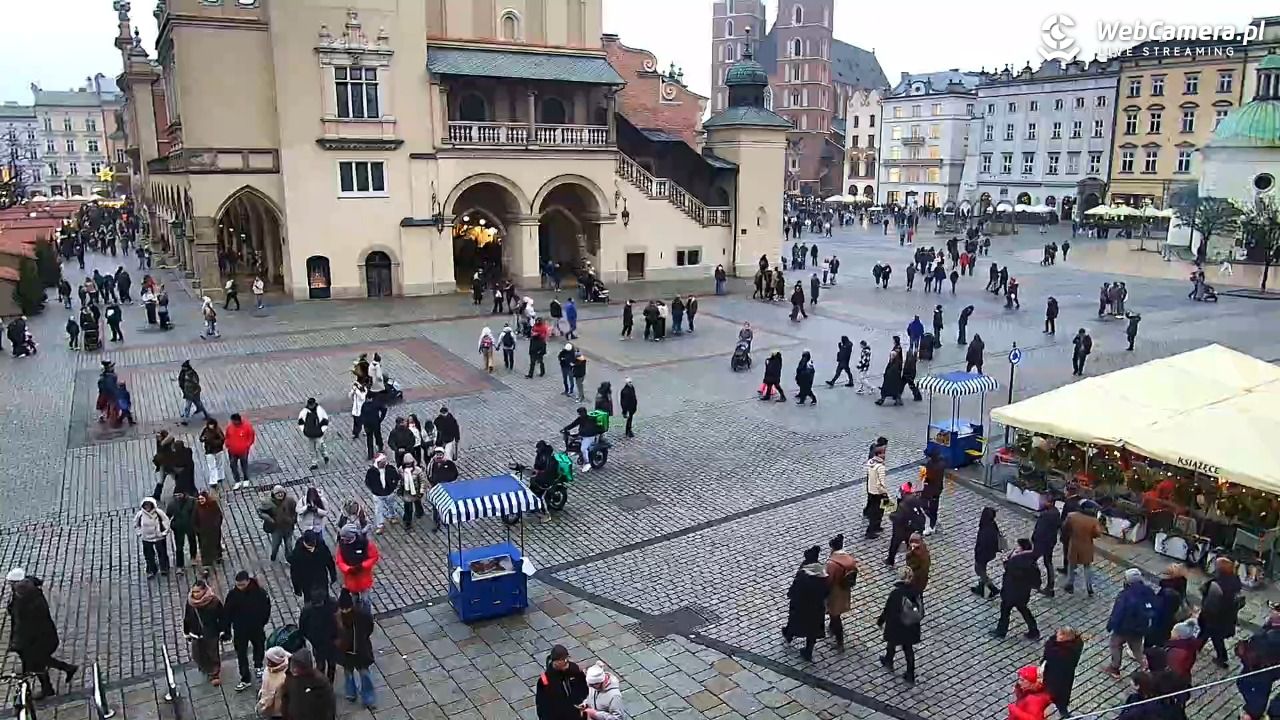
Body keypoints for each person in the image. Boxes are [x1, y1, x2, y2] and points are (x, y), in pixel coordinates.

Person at [4, 569, 77, 699]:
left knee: (37, 662)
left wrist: (16, 644)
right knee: (38, 661)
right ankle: (63, 672)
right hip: (42, 636)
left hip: (37, 638)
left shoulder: (24, 600)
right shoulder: (28, 593)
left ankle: (50, 685)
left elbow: (22, 626)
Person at [223, 570, 271, 692]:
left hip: (256, 628)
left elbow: (266, 608)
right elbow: (227, 614)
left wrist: (262, 622)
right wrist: (227, 630)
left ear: (248, 581)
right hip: (240, 630)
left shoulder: (259, 593)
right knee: (241, 654)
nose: (240, 588)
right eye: (238, 585)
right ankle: (245, 678)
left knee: (259, 646)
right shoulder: (233, 595)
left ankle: (258, 665)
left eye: (242, 585)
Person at [781, 545, 828, 661]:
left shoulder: (804, 573)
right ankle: (808, 650)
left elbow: (796, 587)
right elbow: (827, 590)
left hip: (802, 605)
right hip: (817, 607)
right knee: (813, 629)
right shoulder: (822, 572)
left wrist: (791, 595)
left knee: (794, 620)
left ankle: (789, 634)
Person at [877, 567, 922, 684]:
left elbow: (887, 610)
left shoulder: (896, 593)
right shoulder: (917, 592)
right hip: (911, 625)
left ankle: (888, 660)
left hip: (897, 624)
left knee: (892, 642)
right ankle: (910, 673)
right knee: (908, 649)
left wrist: (881, 621)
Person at [1235, 605, 1280, 720]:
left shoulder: (1271, 638)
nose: (1272, 611)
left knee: (1253, 690)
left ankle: (1252, 713)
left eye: (1275, 610)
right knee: (1243, 683)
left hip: (1262, 670)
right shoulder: (1272, 628)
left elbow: (1254, 651)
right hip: (1264, 669)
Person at [993, 539, 1042, 640]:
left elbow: (1009, 569)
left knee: (1005, 611)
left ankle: (1001, 631)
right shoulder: (1032, 563)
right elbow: (1036, 583)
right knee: (1024, 610)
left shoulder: (1016, 561)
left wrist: (1006, 560)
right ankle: (1034, 630)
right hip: (1023, 593)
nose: (1015, 548)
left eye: (1018, 546)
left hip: (1010, 592)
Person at [1199, 556, 1243, 668]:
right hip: (1227, 617)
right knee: (1207, 633)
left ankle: (1222, 657)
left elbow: (1210, 605)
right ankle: (1197, 646)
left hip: (1214, 618)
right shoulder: (1235, 581)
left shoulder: (1217, 585)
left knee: (1212, 635)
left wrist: (1203, 613)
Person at [336, 590, 376, 708]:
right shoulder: (337, 618)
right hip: (346, 652)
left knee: (364, 674)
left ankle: (368, 699)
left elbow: (369, 627)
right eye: (342, 609)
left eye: (346, 608)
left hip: (360, 651)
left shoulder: (361, 615)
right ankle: (351, 693)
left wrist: (362, 638)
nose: (344, 611)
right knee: (348, 674)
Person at [280, 648, 337, 720]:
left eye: (299, 667)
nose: (295, 670)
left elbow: (329, 707)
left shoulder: (320, 682)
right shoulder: (291, 678)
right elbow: (285, 697)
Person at [535, 645, 588, 720]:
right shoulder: (545, 680)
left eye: (566, 659)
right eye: (563, 660)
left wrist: (583, 702)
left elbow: (584, 687)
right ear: (555, 662)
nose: (567, 662)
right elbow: (542, 706)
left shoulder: (574, 669)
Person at [335, 525, 380, 610]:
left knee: (365, 600)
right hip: (350, 577)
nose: (344, 541)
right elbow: (339, 560)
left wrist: (362, 566)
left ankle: (366, 615)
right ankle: (356, 614)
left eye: (346, 539)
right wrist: (348, 569)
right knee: (354, 599)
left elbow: (374, 556)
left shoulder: (365, 543)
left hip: (363, 577)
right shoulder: (342, 545)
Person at [1042, 628, 1084, 717]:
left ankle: (1062, 711)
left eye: (1059, 636)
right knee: (1060, 696)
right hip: (1059, 675)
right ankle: (1063, 712)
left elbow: (1049, 654)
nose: (1056, 637)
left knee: (1054, 694)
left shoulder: (1067, 651)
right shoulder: (1076, 644)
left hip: (1059, 676)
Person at [825, 535, 857, 651]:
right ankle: (832, 628)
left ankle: (840, 642)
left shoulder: (832, 563)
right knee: (835, 613)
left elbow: (828, 580)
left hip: (835, 592)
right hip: (845, 590)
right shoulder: (850, 559)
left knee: (835, 616)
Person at [1062, 502, 1102, 596]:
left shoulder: (1072, 516)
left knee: (1071, 565)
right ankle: (1089, 587)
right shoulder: (1093, 521)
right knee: (1087, 566)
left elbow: (1065, 527)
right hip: (1086, 545)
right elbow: (1097, 534)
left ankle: (1070, 584)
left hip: (1074, 544)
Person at [1148, 565, 1189, 649]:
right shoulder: (1181, 582)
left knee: (1156, 634)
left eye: (1166, 573)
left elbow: (1162, 608)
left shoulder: (1168, 591)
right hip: (1173, 615)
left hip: (1164, 617)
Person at [290, 530, 337, 598]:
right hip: (307, 582)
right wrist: (297, 588)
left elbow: (329, 560)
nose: (314, 543)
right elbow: (294, 572)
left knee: (325, 599)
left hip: (321, 579)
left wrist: (333, 575)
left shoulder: (321, 545)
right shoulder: (298, 553)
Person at [259, 485, 298, 562]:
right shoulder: (268, 503)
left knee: (289, 545)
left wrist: (293, 520)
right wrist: (269, 519)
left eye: (282, 493)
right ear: (274, 494)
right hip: (276, 529)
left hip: (288, 528)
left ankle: (289, 559)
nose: (280, 495)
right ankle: (273, 556)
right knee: (275, 545)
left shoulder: (290, 501)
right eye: (278, 493)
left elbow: (295, 511)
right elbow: (261, 512)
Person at [135, 496, 172, 578]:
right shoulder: (140, 514)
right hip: (146, 538)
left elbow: (166, 521)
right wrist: (140, 533)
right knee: (149, 555)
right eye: (145, 506)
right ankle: (151, 569)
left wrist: (164, 532)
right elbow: (136, 524)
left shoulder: (159, 512)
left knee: (162, 553)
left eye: (148, 505)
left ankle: (164, 568)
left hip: (159, 537)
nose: (147, 507)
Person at [1031, 496, 1060, 597]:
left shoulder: (1045, 515)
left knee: (1032, 560)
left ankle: (1033, 581)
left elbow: (1039, 530)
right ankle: (1050, 586)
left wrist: (1034, 538)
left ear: (1051, 502)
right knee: (1048, 562)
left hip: (1042, 542)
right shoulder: (1056, 512)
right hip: (1051, 541)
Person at [364, 454, 400, 533]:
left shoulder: (390, 469)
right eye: (382, 462)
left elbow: (396, 477)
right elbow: (368, 482)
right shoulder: (372, 471)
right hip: (378, 495)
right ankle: (380, 525)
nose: (384, 464)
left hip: (389, 492)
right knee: (379, 509)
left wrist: (393, 486)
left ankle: (392, 516)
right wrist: (374, 490)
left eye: (384, 462)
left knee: (391, 505)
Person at [973, 507, 1003, 598]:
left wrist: (977, 555)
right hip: (990, 553)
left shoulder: (986, 529)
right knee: (982, 570)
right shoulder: (992, 524)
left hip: (983, 554)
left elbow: (981, 544)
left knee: (980, 571)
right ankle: (982, 589)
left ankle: (991, 588)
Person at [167, 490, 198, 571]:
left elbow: (196, 513)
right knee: (179, 547)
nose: (178, 496)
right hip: (178, 527)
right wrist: (171, 525)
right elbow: (168, 515)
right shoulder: (172, 503)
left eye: (180, 494)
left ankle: (193, 557)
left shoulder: (192, 501)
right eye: (176, 495)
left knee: (192, 542)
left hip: (190, 526)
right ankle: (180, 565)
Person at [257, 646, 292, 718]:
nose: (268, 662)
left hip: (278, 711)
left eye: (270, 661)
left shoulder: (284, 676)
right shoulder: (269, 669)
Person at [297, 398, 331, 470]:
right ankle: (314, 463)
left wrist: (322, 430)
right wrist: (305, 430)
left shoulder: (320, 410)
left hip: (318, 434)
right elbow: (300, 422)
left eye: (312, 405)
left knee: (321, 446)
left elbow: (325, 420)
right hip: (310, 434)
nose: (311, 406)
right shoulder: (304, 412)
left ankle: (325, 455)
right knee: (312, 449)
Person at [225, 413, 255, 490]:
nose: (233, 423)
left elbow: (251, 437)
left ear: (238, 420)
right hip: (232, 451)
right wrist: (228, 444)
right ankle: (237, 481)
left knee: (244, 465)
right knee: (233, 465)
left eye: (234, 421)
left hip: (243, 451)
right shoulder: (230, 427)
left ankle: (246, 479)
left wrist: (246, 445)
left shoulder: (247, 426)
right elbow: (227, 436)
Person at [194, 491, 224, 567]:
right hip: (203, 531)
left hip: (214, 529)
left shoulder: (213, 504)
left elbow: (218, 515)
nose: (201, 501)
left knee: (216, 542)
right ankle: (206, 561)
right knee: (204, 546)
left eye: (202, 499)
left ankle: (218, 557)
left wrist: (216, 525)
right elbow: (194, 518)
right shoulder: (197, 506)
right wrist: (197, 529)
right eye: (199, 499)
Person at [864, 443, 889, 538]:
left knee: (875, 510)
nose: (884, 455)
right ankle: (871, 530)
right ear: (878, 454)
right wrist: (884, 494)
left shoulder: (870, 462)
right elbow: (881, 483)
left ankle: (876, 527)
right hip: (878, 492)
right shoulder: (881, 467)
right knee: (878, 511)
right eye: (883, 453)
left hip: (871, 490)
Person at [178, 361, 211, 425]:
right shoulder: (183, 373)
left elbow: (196, 382)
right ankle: (205, 414)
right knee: (198, 404)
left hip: (193, 393)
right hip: (187, 392)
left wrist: (194, 391)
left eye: (184, 367)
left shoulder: (192, 374)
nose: (183, 368)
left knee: (188, 406)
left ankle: (185, 419)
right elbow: (181, 380)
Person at [399, 455, 426, 531]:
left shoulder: (418, 470)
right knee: (408, 508)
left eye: (409, 463)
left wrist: (421, 491)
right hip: (406, 492)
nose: (408, 465)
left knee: (417, 502)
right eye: (406, 464)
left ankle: (419, 512)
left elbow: (422, 481)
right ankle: (408, 522)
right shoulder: (401, 470)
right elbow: (400, 480)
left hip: (416, 491)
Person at [199, 417, 227, 488]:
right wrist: (203, 439)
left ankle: (220, 476)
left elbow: (222, 439)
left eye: (212, 424)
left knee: (219, 464)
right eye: (209, 424)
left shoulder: (218, 430)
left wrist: (212, 442)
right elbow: (201, 437)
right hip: (209, 451)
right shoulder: (205, 430)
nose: (211, 426)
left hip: (218, 450)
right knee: (212, 466)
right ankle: (213, 481)